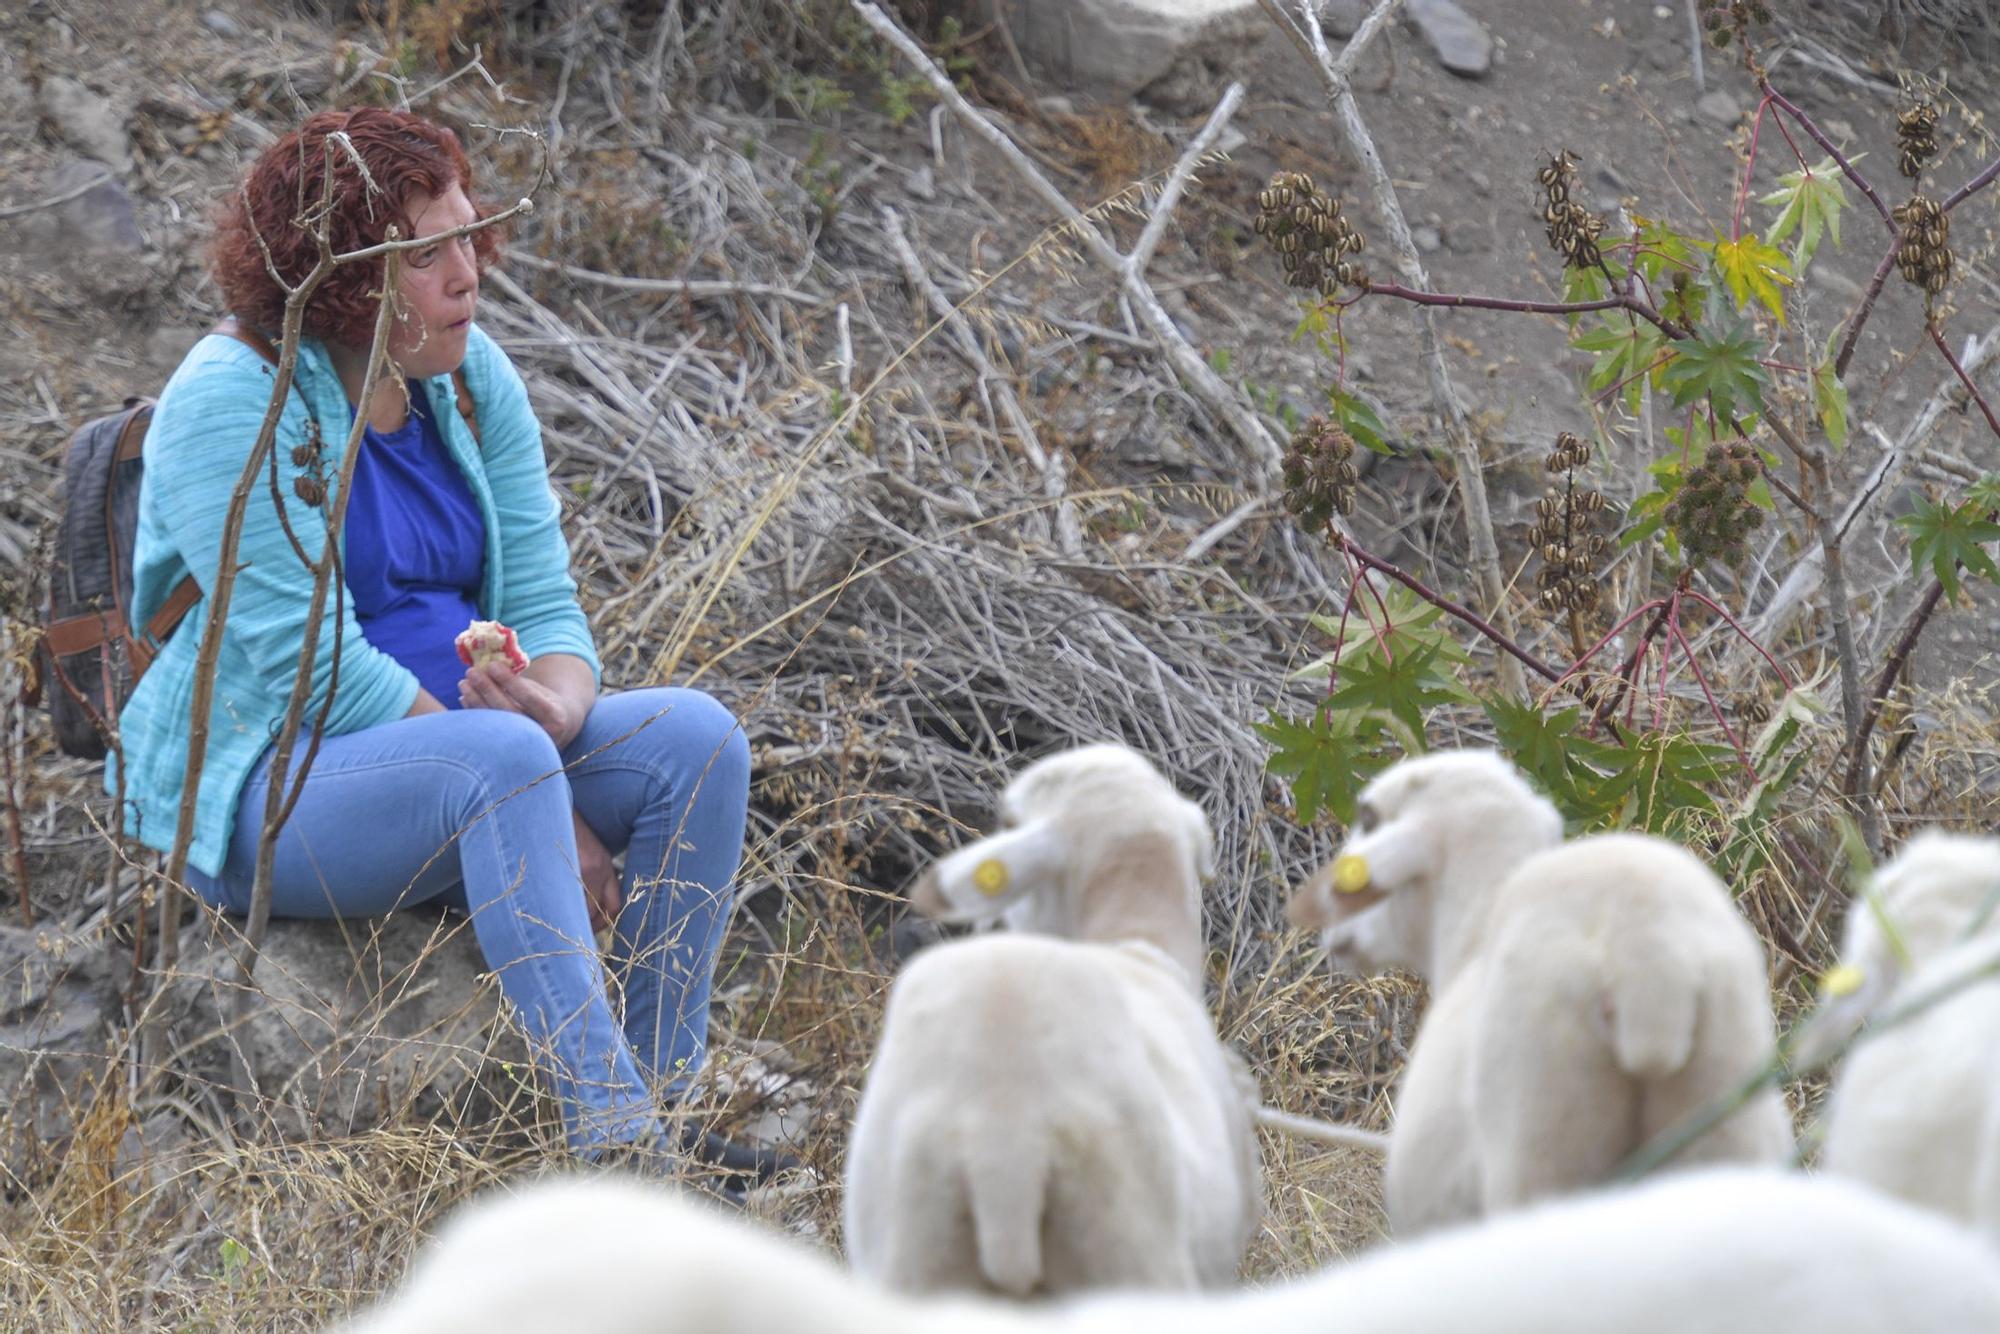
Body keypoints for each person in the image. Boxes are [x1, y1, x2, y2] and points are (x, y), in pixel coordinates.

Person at [113, 107, 783, 1188]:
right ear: (332, 274)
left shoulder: (469, 381)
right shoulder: (234, 396)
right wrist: (539, 788)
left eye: (469, 238)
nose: (467, 275)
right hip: (267, 786)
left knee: (693, 738)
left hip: (457, 755)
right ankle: (617, 1147)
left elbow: (545, 600)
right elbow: (306, 667)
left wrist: (557, 706)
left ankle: (666, 1089)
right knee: (502, 761)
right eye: (423, 255)